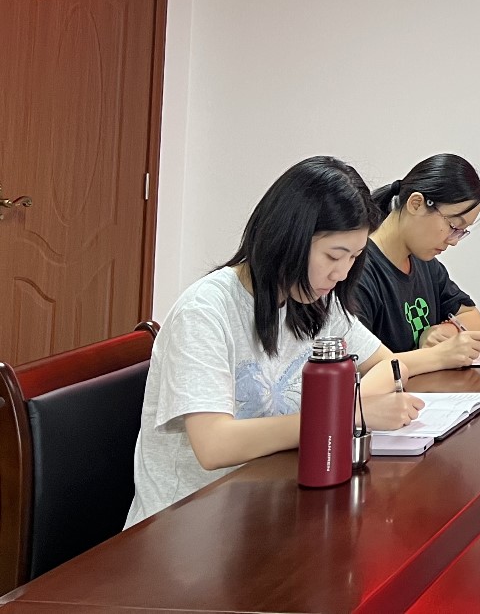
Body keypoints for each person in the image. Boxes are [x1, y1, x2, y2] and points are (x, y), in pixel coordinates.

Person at [127, 156, 424, 526]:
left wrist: (352, 405)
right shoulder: (205, 310)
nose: (342, 272)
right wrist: (344, 415)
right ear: (288, 239)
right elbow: (214, 445)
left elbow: (390, 364)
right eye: (334, 255)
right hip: (186, 525)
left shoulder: (316, 301)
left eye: (354, 257)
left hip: (269, 510)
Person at [355, 153, 480, 372]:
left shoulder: (425, 263)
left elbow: (472, 317)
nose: (453, 241)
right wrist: (437, 356)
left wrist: (444, 331)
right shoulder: (359, 271)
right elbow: (359, 366)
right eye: (453, 226)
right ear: (416, 204)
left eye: (461, 232)